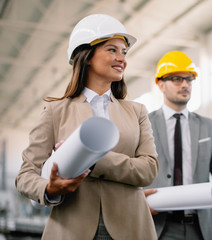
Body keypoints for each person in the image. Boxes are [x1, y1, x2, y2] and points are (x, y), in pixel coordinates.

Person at [15, 14, 158, 240]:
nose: (122, 58)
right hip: (71, 229)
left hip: (131, 228)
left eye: (124, 52)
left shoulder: (137, 112)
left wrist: (94, 159)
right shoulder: (55, 111)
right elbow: (25, 175)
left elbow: (149, 169)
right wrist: (49, 189)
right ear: (87, 56)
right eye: (112, 50)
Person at [144, 51, 212, 240]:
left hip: (200, 228)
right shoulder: (144, 124)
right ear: (160, 84)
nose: (185, 85)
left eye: (189, 79)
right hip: (159, 227)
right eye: (176, 79)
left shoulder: (208, 126)